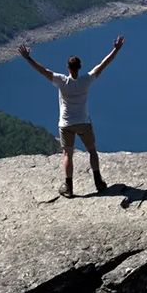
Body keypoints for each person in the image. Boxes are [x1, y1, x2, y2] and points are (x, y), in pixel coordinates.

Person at [19, 35, 123, 198]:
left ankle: (69, 187)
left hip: (66, 124)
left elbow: (43, 71)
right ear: (80, 67)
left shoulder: (61, 81)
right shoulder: (86, 80)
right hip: (83, 122)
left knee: (67, 154)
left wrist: (28, 58)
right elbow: (103, 64)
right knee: (92, 151)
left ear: (68, 68)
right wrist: (116, 49)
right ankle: (98, 183)